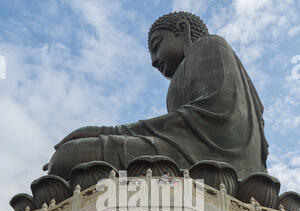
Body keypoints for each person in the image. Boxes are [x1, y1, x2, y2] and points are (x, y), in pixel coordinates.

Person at [46, 11, 269, 184]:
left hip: (220, 164)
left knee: (70, 155)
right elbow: (179, 130)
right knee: (70, 157)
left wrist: (109, 132)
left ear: (183, 30)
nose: (153, 61)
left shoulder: (210, 45)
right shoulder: (180, 78)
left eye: (156, 46)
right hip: (186, 156)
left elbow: (214, 117)